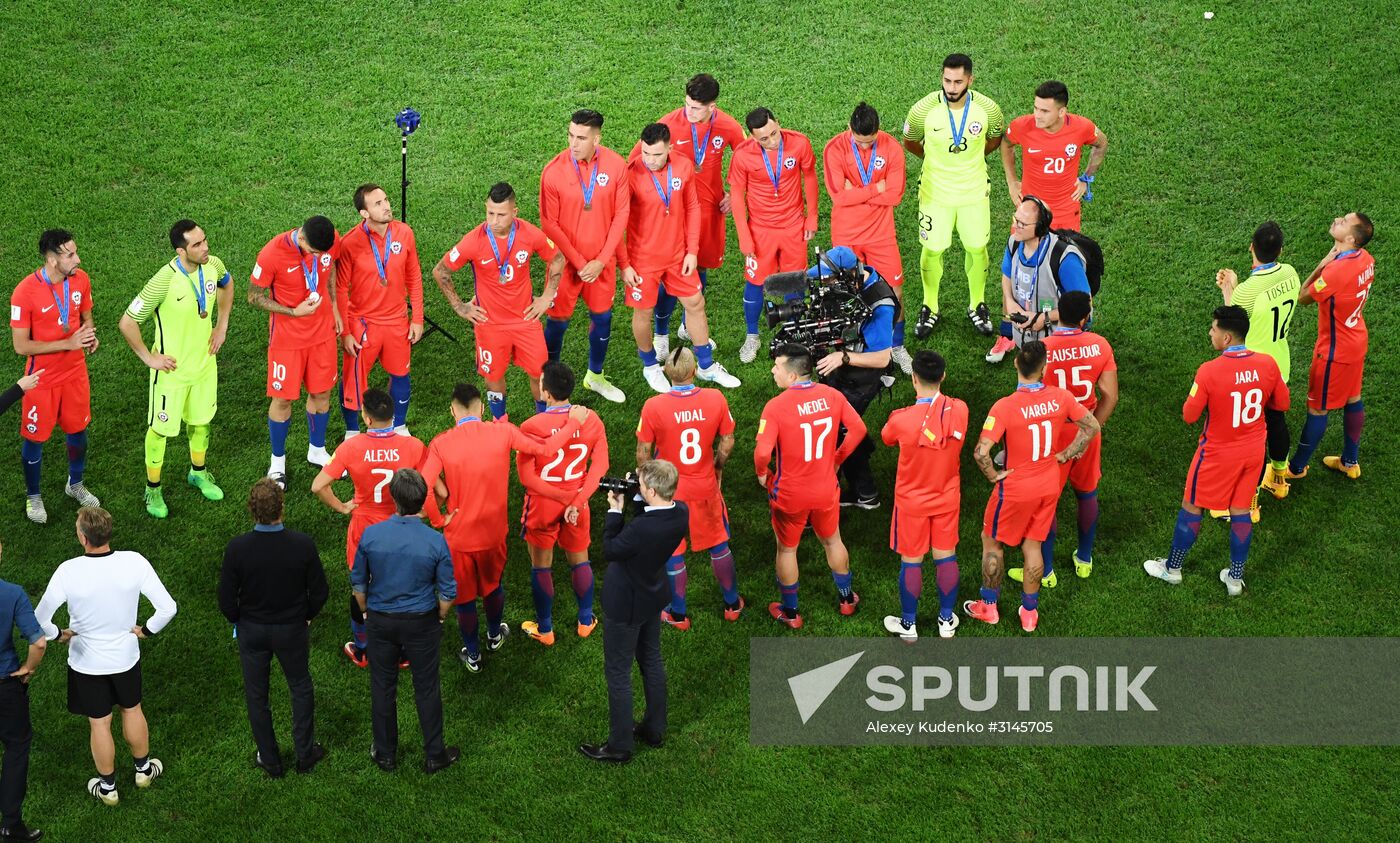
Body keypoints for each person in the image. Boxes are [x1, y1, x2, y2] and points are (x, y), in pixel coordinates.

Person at [420, 383, 587, 671]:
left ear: (452, 411)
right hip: (494, 533)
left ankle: (472, 654)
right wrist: (573, 423)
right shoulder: (503, 432)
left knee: (465, 598)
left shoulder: (440, 443)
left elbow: (423, 487)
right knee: (493, 586)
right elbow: (546, 448)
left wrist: (438, 520)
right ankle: (495, 635)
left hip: (458, 538)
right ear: (482, 408)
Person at [34, 507, 176, 806]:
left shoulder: (68, 570)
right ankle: (143, 771)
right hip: (125, 658)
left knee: (99, 723)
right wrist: (146, 631)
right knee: (132, 709)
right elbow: (168, 608)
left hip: (86, 663)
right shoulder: (134, 562)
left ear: (83, 538)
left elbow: (40, 618)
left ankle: (108, 788)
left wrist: (57, 634)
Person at [1144, 306, 1288, 596]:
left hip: (1216, 455)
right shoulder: (1269, 364)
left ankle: (1172, 569)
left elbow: (1188, 415)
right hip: (1253, 453)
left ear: (1226, 337)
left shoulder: (1209, 371)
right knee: (1241, 511)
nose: (1210, 332)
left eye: (1213, 329)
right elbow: (1281, 405)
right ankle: (1235, 579)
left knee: (1192, 506)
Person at [966, 342, 1099, 633]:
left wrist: (992, 476)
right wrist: (1067, 453)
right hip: (1048, 482)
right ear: (1045, 368)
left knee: (991, 541)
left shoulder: (1004, 406)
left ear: (1016, 364)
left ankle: (988, 606)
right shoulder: (1061, 397)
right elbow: (1091, 426)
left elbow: (981, 452)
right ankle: (1029, 612)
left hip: (1014, 487)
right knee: (1033, 545)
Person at [118, 219, 232, 520]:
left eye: (205, 239)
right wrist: (149, 358)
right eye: (197, 244)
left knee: (201, 422)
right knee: (160, 430)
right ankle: (153, 489)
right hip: (171, 374)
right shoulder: (162, 281)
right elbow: (127, 323)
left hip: (205, 365)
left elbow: (227, 283)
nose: (205, 247)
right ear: (181, 250)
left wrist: (221, 325)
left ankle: (198, 472)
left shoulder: (213, 265)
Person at [578, 460, 689, 764]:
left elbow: (611, 548)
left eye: (641, 485)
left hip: (625, 602)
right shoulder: (681, 512)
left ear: (652, 490)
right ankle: (654, 729)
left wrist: (615, 509)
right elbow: (651, 513)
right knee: (651, 660)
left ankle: (620, 745)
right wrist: (639, 498)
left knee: (618, 672)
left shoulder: (641, 529)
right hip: (652, 597)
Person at [218, 479, 329, 778]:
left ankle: (270, 760)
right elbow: (319, 592)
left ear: (252, 510)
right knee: (300, 688)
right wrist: (306, 616)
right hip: (292, 629)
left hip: (252, 631)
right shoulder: (302, 544)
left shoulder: (238, 548)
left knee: (257, 696)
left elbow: (226, 599)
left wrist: (239, 620)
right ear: (282, 506)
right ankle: (305, 754)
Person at [351, 469, 460, 774]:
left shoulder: (372, 535)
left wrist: (366, 612)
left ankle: (385, 754)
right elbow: (448, 591)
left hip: (381, 621)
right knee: (426, 688)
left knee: (383, 687)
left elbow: (358, 584)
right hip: (422, 622)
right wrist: (438, 616)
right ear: (423, 499)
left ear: (393, 498)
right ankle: (435, 755)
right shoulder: (435, 541)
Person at [1006, 291, 1118, 586]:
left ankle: (1046, 571)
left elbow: (1028, 396)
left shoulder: (1042, 348)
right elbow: (1111, 395)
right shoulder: (1100, 345)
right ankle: (1084, 559)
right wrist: (1092, 428)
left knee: (1046, 503)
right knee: (1087, 493)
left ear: (1060, 313)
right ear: (1084, 318)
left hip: (1051, 435)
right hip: (1086, 427)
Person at [311, 388, 427, 668]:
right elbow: (432, 486)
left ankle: (363, 649)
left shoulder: (351, 448)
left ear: (366, 418)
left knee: (362, 590)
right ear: (393, 415)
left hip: (364, 530)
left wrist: (341, 506)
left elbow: (318, 486)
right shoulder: (413, 446)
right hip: (401, 530)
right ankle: (402, 652)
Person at [620, 123, 740, 392]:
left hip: (677, 255)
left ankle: (707, 366)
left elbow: (692, 207)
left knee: (695, 303)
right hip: (643, 260)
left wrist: (693, 251)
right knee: (643, 312)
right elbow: (617, 223)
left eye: (657, 154)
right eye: (646, 153)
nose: (650, 160)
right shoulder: (629, 174)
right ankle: (650, 366)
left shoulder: (684, 166)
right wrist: (625, 265)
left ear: (670, 149)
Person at [754, 344, 866, 628]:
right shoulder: (832, 396)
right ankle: (846, 599)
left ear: (792, 376)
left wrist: (762, 473)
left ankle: (790, 613)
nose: (772, 370)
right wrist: (837, 459)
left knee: (787, 550)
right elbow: (859, 430)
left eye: (777, 366)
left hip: (790, 494)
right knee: (833, 541)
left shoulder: (775, 407)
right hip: (826, 487)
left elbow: (762, 452)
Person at [433, 182, 565, 421]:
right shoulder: (474, 240)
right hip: (490, 324)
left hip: (526, 320)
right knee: (493, 377)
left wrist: (547, 297)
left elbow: (557, 259)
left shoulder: (529, 234)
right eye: (490, 213)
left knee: (539, 374)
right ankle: (499, 421)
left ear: (514, 213)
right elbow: (441, 271)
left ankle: (543, 420)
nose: (494, 220)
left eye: (501, 214)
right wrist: (459, 306)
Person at [636, 347, 743, 628]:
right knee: (719, 545)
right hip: (705, 486)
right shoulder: (716, 398)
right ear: (694, 371)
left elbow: (643, 452)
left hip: (669, 491)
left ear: (666, 374)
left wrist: (646, 481)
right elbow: (728, 440)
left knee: (673, 551)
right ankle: (732, 604)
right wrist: (718, 465)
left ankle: (678, 613)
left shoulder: (653, 406)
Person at [902, 53, 1006, 338]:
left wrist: (972, 160)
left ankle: (977, 303)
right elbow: (910, 142)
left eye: (958, 81)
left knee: (977, 248)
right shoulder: (922, 110)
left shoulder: (988, 110)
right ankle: (930, 306)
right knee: (933, 249)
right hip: (934, 194)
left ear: (970, 80)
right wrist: (934, 161)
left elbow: (995, 138)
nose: (951, 86)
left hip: (974, 193)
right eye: (947, 80)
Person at [647, 74, 746, 353]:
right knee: (672, 270)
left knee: (699, 266)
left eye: (696, 108)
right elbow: (639, 161)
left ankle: (688, 325)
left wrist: (733, 193)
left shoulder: (727, 126)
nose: (688, 112)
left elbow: (748, 157)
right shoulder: (667, 124)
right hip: (674, 214)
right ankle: (661, 333)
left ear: (712, 106)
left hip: (708, 213)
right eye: (687, 104)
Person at [540, 109, 631, 403]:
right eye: (570, 135)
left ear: (597, 138)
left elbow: (622, 215)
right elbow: (549, 223)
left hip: (601, 264)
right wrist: (581, 263)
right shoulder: (553, 171)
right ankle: (548, 381)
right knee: (557, 322)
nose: (573, 143)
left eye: (581, 137)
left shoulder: (616, 165)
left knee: (602, 319)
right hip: (567, 265)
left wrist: (601, 260)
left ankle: (595, 376)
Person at [795, 247, 898, 508]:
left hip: (863, 375)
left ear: (845, 277)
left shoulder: (879, 305)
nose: (825, 284)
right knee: (845, 427)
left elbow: (883, 358)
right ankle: (863, 472)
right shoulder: (854, 285)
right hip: (844, 367)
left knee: (841, 431)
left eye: (829, 279)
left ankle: (862, 494)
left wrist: (843, 357)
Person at [10, 228, 100, 524]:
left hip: (75, 373)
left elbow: (85, 313)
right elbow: (21, 345)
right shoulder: (24, 292)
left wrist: (89, 334)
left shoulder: (80, 279)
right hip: (40, 381)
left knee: (78, 432)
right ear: (51, 259)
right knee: (35, 438)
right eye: (70, 254)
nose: (78, 258)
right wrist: (68, 343)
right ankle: (33, 495)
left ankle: (75, 484)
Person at [516, 362, 609, 646]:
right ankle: (585, 620)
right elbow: (600, 466)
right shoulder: (592, 419)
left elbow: (526, 477)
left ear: (545, 392)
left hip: (543, 503)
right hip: (577, 504)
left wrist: (561, 498)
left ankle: (545, 630)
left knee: (541, 566)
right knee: (580, 560)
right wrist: (577, 500)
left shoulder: (531, 426)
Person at [880, 350, 968, 640]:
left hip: (911, 503)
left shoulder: (900, 419)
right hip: (946, 499)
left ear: (913, 378)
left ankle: (909, 625)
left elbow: (886, 438)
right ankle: (945, 621)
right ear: (943, 376)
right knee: (946, 558)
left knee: (911, 561)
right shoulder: (961, 410)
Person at [249, 216, 342, 489]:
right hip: (287, 341)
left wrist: (334, 306)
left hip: (322, 335)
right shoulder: (271, 254)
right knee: (283, 399)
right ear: (301, 238)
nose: (319, 257)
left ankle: (317, 449)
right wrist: (292, 311)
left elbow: (332, 265)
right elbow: (253, 296)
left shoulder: (328, 240)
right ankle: (277, 461)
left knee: (322, 393)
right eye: (314, 252)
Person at [1215, 221, 1300, 507]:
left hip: (1255, 372)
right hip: (1281, 362)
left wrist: (1230, 288)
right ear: (1281, 250)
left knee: (1250, 435)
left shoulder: (1247, 291)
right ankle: (1278, 478)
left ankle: (1248, 501)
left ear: (1252, 247)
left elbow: (1232, 326)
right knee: (1276, 422)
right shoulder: (1290, 273)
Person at [823, 101, 912, 374]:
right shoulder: (834, 149)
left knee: (894, 292)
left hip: (881, 235)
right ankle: (856, 349)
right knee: (846, 293)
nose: (864, 147)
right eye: (859, 142)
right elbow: (838, 196)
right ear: (849, 129)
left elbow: (895, 196)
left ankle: (896, 346)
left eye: (870, 142)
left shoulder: (892, 148)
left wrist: (857, 193)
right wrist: (876, 188)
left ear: (878, 131)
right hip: (846, 236)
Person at [1287, 213, 1375, 481]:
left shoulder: (1336, 271)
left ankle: (1295, 469)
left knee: (1317, 408)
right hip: (1356, 340)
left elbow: (1302, 296)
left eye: (1343, 221)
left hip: (1334, 353)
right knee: (1352, 399)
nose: (1337, 219)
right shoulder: (1366, 259)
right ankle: (1350, 461)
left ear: (1350, 238)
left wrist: (1324, 263)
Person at [729, 107, 820, 363]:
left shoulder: (799, 143)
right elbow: (737, 195)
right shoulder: (742, 156)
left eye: (774, 133)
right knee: (755, 282)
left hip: (793, 227)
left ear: (778, 123)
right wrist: (744, 235)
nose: (771, 141)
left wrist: (811, 216)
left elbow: (810, 177)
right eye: (764, 139)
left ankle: (792, 334)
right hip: (761, 230)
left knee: (793, 281)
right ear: (752, 137)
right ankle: (752, 336)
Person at [335, 183, 424, 438]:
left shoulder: (405, 233)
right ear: (364, 213)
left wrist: (417, 317)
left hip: (397, 320)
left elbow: (414, 276)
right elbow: (340, 289)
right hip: (363, 322)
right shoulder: (350, 243)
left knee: (401, 374)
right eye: (377, 204)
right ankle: (352, 430)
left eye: (385, 200)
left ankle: (399, 425)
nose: (386, 206)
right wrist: (346, 333)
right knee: (352, 380)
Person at [985, 196, 1090, 363]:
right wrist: (1010, 302)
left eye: (1022, 224)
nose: (1015, 226)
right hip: (1026, 338)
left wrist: (1044, 318)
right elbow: (1007, 276)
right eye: (1016, 219)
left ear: (1041, 228)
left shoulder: (1064, 258)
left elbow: (1085, 305)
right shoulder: (1014, 243)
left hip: (1058, 346)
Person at [999, 80, 1108, 232]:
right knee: (1023, 254)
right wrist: (1011, 182)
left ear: (1062, 111)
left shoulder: (1081, 127)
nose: (1037, 115)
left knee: (1065, 254)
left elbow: (1101, 143)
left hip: (1066, 210)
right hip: (1030, 207)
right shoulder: (1022, 126)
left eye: (1044, 111)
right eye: (1036, 108)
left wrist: (1086, 178)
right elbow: (1006, 144)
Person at [0, 538, 47, 841]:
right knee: (16, 748)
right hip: (6, 689)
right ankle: (11, 825)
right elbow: (39, 641)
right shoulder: (13, 594)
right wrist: (28, 670)